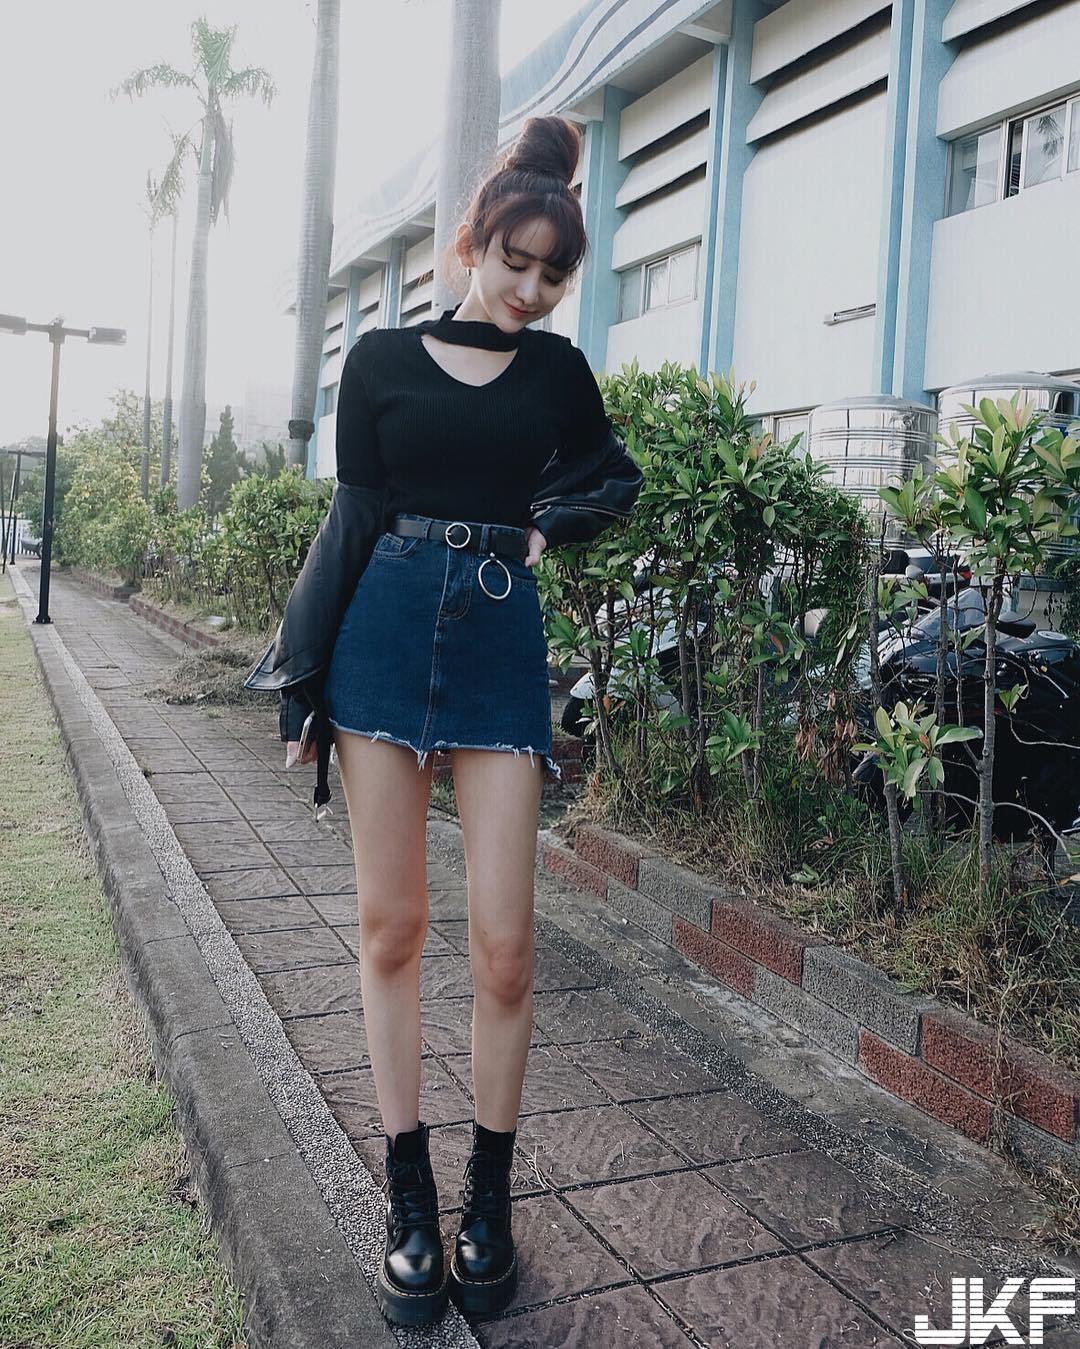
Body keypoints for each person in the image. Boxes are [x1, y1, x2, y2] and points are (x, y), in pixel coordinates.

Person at [261, 115, 642, 1328]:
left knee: (504, 944)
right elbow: (354, 517)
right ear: (474, 242)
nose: (529, 290)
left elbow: (612, 476)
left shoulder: (558, 375)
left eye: (552, 274)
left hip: (496, 648)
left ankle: (490, 1196)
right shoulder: (379, 362)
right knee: (391, 928)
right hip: (379, 640)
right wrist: (303, 677)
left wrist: (549, 525)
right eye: (515, 261)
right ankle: (411, 1199)